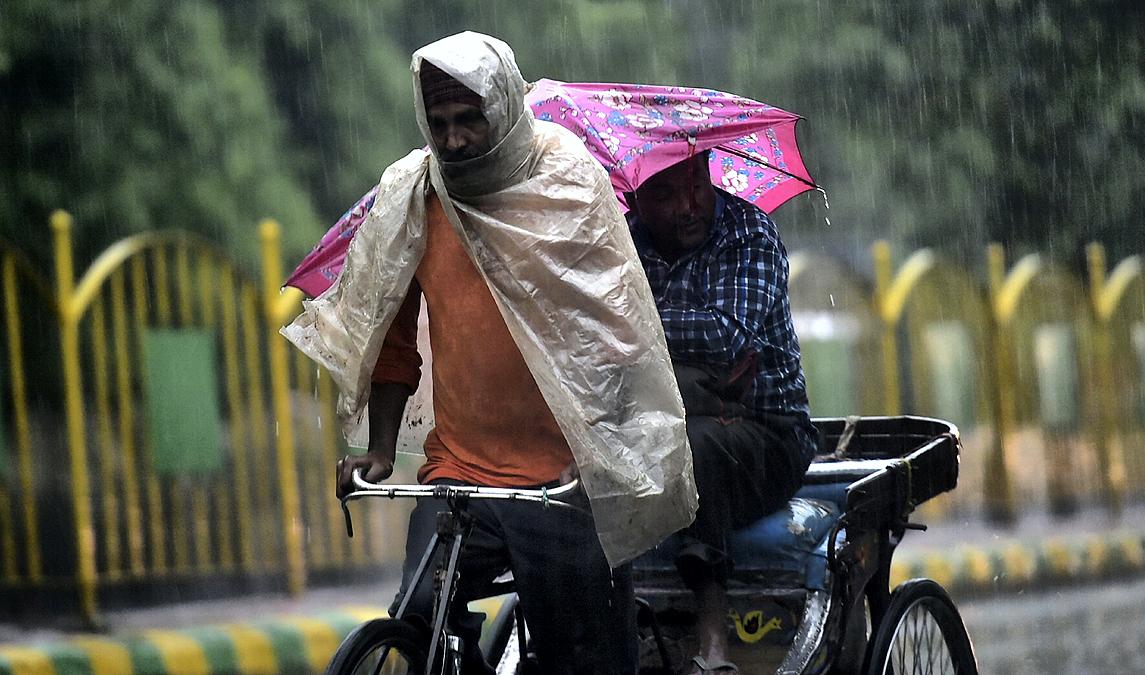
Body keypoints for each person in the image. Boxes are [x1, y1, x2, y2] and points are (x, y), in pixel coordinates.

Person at [283, 32, 697, 675]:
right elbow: (392, 342)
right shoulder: (413, 197)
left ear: (502, 108)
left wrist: (598, 457)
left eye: (469, 120)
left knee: (582, 658)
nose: (452, 141)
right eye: (439, 123)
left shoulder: (567, 182)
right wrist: (382, 451)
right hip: (460, 474)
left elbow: (618, 337)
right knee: (418, 613)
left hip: (561, 482)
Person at [627, 151, 820, 675]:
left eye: (696, 186)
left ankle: (712, 642)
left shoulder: (750, 235)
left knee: (693, 444)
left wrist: (629, 325)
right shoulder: (621, 241)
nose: (688, 207)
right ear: (633, 196)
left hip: (767, 434)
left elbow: (723, 336)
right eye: (664, 195)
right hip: (655, 427)